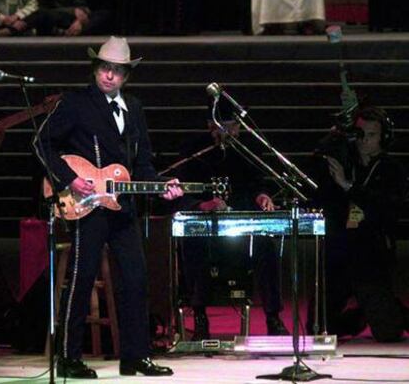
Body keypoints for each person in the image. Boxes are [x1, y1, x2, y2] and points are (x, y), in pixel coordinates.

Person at [33, 36, 183, 378]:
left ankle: (135, 356)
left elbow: (142, 163)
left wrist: (162, 187)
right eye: (104, 69)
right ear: (95, 69)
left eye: (117, 71)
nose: (109, 76)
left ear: (126, 75)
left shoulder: (135, 108)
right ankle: (68, 357)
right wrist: (69, 178)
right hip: (87, 204)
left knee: (135, 279)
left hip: (122, 207)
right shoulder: (76, 103)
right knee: (81, 277)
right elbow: (41, 142)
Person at [174, 100, 287, 339]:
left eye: (233, 126)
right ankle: (200, 316)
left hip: (242, 228)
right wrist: (203, 205)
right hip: (207, 227)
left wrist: (263, 196)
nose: (229, 132)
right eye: (222, 126)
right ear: (210, 126)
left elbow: (258, 183)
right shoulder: (194, 151)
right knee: (193, 244)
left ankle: (273, 317)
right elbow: (182, 191)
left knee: (266, 245)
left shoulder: (248, 151)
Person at [309, 106, 407, 342]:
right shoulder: (346, 161)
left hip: (370, 255)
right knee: (318, 328)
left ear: (383, 138)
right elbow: (316, 166)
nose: (364, 140)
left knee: (388, 333)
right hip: (340, 253)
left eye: (371, 134)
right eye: (360, 133)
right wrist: (336, 136)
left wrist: (349, 187)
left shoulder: (391, 170)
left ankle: (392, 312)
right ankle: (361, 315)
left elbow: (385, 209)